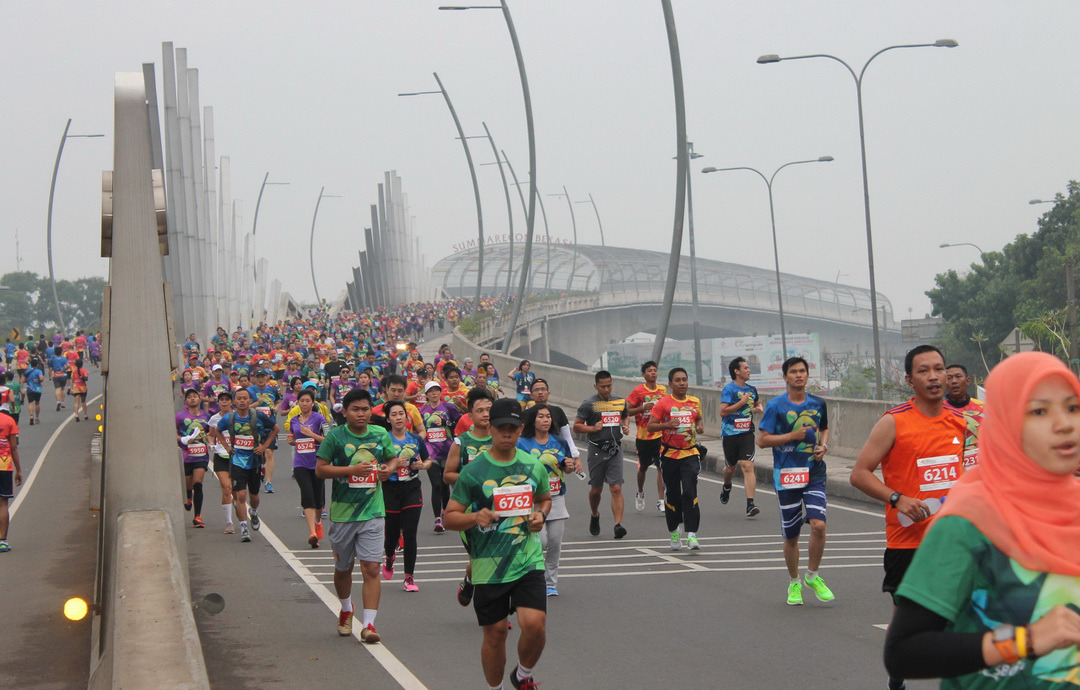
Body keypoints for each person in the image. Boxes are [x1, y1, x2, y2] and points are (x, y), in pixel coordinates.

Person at [883, 351, 1080, 686]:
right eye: (1039, 411)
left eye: (1072, 407)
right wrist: (1024, 641)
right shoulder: (967, 523)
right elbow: (904, 651)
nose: (1064, 423)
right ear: (1005, 424)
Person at [850, 345, 967, 690]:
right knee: (910, 624)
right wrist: (897, 498)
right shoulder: (894, 421)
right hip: (907, 541)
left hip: (951, 539)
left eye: (939, 369)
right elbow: (860, 473)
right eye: (924, 371)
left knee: (959, 620)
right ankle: (898, 672)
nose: (934, 377)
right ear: (909, 379)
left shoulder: (960, 421)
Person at [444, 398, 551, 690]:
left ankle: (523, 675)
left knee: (535, 625)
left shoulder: (533, 466)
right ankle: (496, 688)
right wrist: (476, 516)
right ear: (490, 428)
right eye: (501, 427)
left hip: (526, 558)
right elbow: (450, 517)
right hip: (488, 564)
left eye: (513, 428)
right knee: (495, 634)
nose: (507, 433)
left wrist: (540, 515)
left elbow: (544, 499)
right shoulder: (473, 472)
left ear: (521, 430)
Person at [315, 389, 397, 643]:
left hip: (373, 511)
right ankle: (346, 608)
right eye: (356, 409)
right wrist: (351, 469)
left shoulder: (380, 434)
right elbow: (320, 470)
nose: (361, 414)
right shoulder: (335, 437)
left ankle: (369, 625)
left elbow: (393, 459)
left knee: (371, 567)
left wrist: (386, 470)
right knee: (343, 568)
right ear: (345, 412)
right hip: (342, 514)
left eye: (365, 409)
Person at [758, 357, 833, 606]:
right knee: (791, 536)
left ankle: (813, 575)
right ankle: (794, 582)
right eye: (793, 372)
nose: (798, 375)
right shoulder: (776, 406)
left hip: (814, 473)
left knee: (818, 525)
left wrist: (824, 446)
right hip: (787, 475)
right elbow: (763, 440)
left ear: (807, 375)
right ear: (785, 377)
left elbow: (823, 428)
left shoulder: (818, 403)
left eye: (802, 371)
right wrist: (792, 435)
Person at [518, 404, 577, 597]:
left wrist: (569, 466)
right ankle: (530, 576)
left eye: (548, 417)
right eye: (541, 416)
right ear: (533, 421)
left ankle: (550, 583)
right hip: (533, 499)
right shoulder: (522, 443)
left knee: (554, 543)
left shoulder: (559, 442)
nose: (545, 420)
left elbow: (568, 469)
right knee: (540, 541)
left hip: (557, 496)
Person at [445, 386, 495, 606]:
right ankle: (470, 579)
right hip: (469, 511)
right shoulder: (461, 442)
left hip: (499, 508)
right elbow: (447, 475)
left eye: (489, 410)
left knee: (499, 555)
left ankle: (498, 607)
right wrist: (472, 480)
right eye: (480, 410)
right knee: (480, 556)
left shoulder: (501, 439)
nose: (485, 414)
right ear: (470, 415)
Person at [648, 368, 705, 550]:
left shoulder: (694, 402)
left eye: (685, 380)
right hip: (670, 455)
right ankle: (674, 531)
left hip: (690, 453)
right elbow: (651, 426)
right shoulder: (663, 404)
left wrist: (700, 427)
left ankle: (692, 535)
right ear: (670, 384)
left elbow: (698, 420)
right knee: (672, 494)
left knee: (689, 492)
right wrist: (667, 424)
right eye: (678, 380)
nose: (682, 383)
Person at [574, 370, 630, 540]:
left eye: (609, 385)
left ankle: (618, 525)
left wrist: (625, 425)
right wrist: (592, 428)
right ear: (596, 386)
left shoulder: (620, 401)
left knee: (616, 487)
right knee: (596, 490)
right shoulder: (588, 404)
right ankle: (594, 514)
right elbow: (576, 426)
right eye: (602, 386)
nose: (606, 389)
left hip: (615, 448)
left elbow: (625, 416)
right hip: (597, 449)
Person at [381, 400, 430, 592]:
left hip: (411, 488)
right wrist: (392, 465)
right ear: (388, 419)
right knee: (391, 534)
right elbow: (377, 464)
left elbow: (428, 460)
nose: (398, 417)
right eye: (394, 414)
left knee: (410, 534)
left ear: (406, 417)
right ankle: (390, 557)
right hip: (390, 489)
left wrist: (421, 465)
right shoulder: (383, 439)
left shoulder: (415, 439)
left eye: (401, 413)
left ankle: (409, 577)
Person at [218, 388, 278, 543]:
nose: (242, 401)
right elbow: (217, 431)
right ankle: (244, 527)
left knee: (254, 496)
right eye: (239, 398)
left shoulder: (257, 416)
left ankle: (254, 511)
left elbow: (275, 429)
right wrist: (227, 447)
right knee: (240, 495)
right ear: (234, 401)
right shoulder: (230, 418)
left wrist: (264, 447)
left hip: (254, 461)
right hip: (237, 461)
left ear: (250, 400)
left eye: (245, 398)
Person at [718, 356, 764, 518]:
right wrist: (741, 402)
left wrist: (758, 408)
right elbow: (723, 412)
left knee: (747, 466)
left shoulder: (752, 389)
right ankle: (727, 485)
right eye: (745, 368)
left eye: (748, 368)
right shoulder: (729, 390)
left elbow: (758, 403)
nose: (748, 370)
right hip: (730, 434)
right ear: (736, 371)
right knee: (730, 468)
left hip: (746, 433)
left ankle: (750, 504)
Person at [287, 388, 328, 548]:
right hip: (300, 463)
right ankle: (312, 533)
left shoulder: (319, 419)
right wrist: (291, 441)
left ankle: (318, 523)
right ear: (298, 402)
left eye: (307, 401)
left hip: (317, 463)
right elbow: (293, 437)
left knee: (318, 500)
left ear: (313, 403)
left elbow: (328, 439)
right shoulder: (294, 420)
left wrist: (312, 435)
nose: (304, 403)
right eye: (301, 401)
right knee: (308, 496)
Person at [420, 380, 461, 533]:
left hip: (448, 451)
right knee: (436, 485)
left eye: (436, 390)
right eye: (430, 391)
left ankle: (444, 513)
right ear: (427, 394)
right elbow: (419, 429)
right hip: (431, 452)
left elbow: (459, 422)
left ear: (440, 392)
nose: (434, 393)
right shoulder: (422, 410)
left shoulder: (448, 408)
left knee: (444, 487)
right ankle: (437, 518)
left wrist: (446, 421)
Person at [626, 361, 667, 513]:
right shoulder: (638, 391)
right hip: (643, 437)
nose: (653, 373)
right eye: (649, 371)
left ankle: (661, 500)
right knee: (642, 468)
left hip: (659, 435)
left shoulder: (662, 390)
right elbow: (627, 411)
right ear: (643, 375)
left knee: (660, 467)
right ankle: (640, 491)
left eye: (655, 370)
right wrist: (642, 407)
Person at [177, 388, 211, 528]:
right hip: (186, 456)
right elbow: (173, 432)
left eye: (195, 396)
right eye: (189, 397)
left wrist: (211, 442)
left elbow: (210, 433)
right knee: (188, 485)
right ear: (185, 401)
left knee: (198, 483)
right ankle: (188, 497)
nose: (192, 398)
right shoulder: (179, 416)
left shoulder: (206, 417)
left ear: (199, 399)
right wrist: (183, 439)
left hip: (201, 455)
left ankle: (198, 516)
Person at [944, 363, 985, 470]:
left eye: (958, 377)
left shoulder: (983, 408)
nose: (954, 381)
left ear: (967, 381)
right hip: (951, 471)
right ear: (944, 382)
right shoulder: (938, 411)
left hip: (980, 470)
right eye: (949, 378)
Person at [207, 391, 236, 533]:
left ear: (232, 402)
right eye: (221, 400)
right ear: (218, 403)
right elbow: (210, 435)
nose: (224, 402)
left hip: (237, 457)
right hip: (221, 456)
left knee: (237, 492)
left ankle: (244, 510)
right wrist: (211, 444)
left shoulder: (238, 416)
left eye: (227, 400)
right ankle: (229, 522)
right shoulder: (214, 419)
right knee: (226, 488)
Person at [248, 369, 281, 493]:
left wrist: (276, 408)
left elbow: (278, 402)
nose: (261, 379)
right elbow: (245, 407)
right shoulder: (250, 391)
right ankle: (261, 470)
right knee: (258, 454)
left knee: (269, 453)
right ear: (255, 378)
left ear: (267, 377)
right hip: (254, 426)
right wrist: (257, 403)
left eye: (263, 376)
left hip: (270, 425)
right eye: (258, 377)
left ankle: (268, 482)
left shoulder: (272, 390)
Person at [0, 408, 21, 552]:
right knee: (3, 503)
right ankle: (2, 541)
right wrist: (19, 470)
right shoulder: (9, 420)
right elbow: (13, 447)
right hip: (3, 464)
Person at [24, 360, 43, 425]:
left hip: (30, 389)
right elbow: (41, 379)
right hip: (38, 389)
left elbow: (23, 380)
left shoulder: (27, 371)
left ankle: (31, 415)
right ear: (37, 364)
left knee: (30, 403)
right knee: (37, 403)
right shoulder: (39, 371)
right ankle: (37, 418)